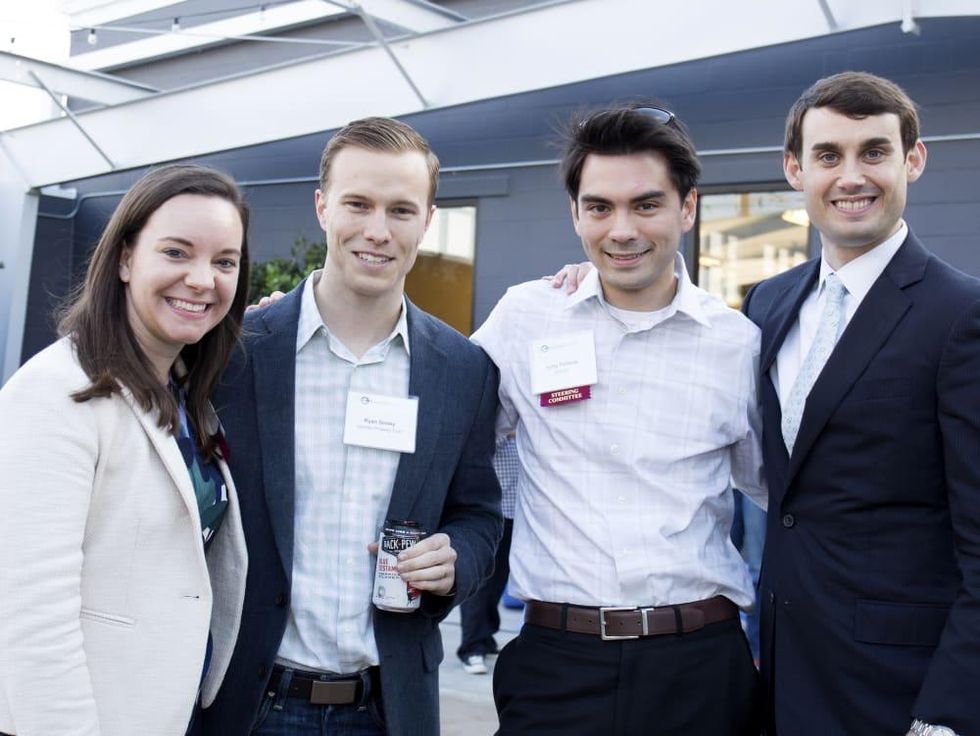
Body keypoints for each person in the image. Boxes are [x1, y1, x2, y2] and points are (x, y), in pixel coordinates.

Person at [197, 117, 502, 736]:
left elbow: (479, 516)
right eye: (357, 204)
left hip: (388, 708)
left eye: (400, 210)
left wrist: (456, 560)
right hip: (248, 703)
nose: (377, 231)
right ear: (322, 207)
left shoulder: (463, 370)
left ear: (427, 220)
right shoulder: (233, 351)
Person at [471, 104, 766, 735]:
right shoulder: (527, 317)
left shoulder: (736, 343)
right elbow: (444, 419)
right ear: (575, 214)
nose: (622, 229)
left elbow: (775, 487)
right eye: (600, 207)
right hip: (556, 665)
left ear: (687, 208)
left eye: (647, 205)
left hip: (701, 665)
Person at [740, 71, 980, 736]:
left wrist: (948, 714)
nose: (852, 176)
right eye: (828, 156)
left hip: (900, 693)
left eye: (873, 152)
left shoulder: (961, 315)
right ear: (795, 169)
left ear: (914, 159)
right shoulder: (768, 302)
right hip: (786, 676)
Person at [0, 164, 251, 736]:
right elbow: (31, 615)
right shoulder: (55, 394)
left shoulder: (186, 390)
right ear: (125, 259)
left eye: (224, 262)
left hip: (165, 711)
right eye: (176, 252)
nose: (201, 279)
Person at [457, 433, 520, 675]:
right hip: (491, 512)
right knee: (481, 583)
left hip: (513, 509)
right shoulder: (498, 428)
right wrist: (509, 432)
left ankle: (486, 638)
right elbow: (482, 445)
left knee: (498, 579)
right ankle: (471, 648)